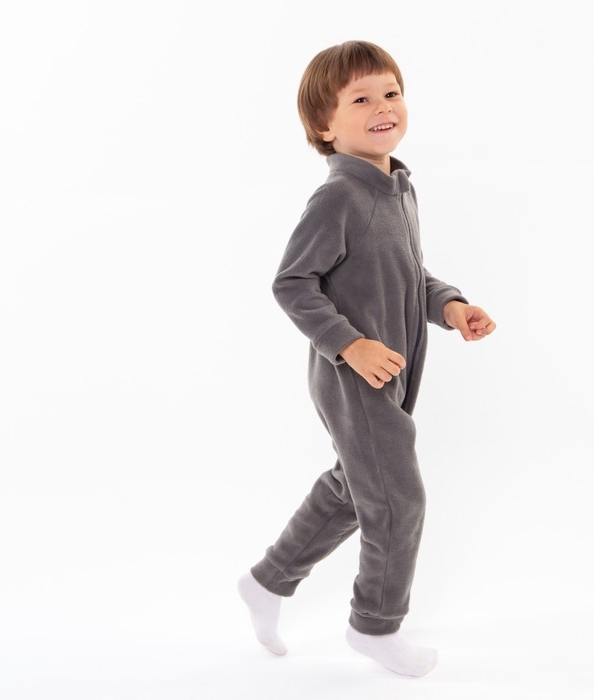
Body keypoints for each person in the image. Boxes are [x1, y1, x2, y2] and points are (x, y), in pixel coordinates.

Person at [238, 39, 496, 677]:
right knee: (398, 500)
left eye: (391, 93)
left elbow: (408, 276)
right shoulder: (338, 198)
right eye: (360, 100)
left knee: (355, 490)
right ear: (324, 127)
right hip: (353, 374)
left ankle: (268, 581)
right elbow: (292, 283)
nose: (383, 107)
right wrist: (349, 344)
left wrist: (451, 306)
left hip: (393, 371)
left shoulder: (398, 187)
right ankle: (375, 627)